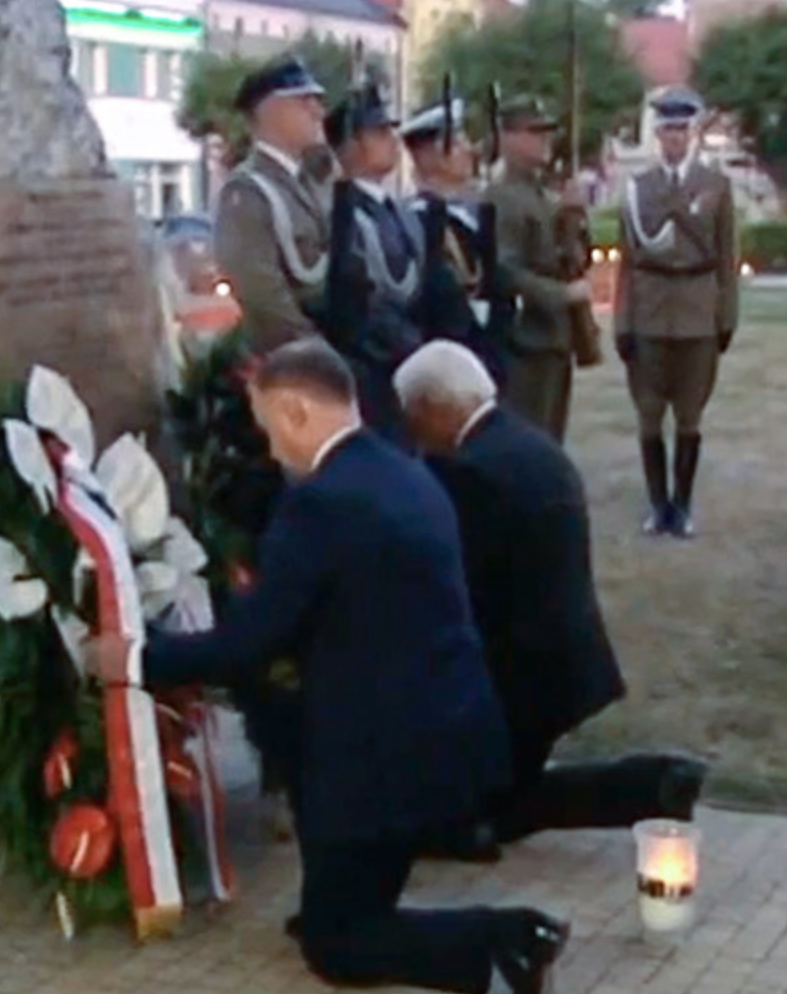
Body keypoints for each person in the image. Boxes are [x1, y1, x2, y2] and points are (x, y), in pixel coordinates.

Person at [92, 340, 568, 994]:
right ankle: (347, 911)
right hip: (445, 733)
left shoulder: (321, 503)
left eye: (266, 430)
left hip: (384, 760)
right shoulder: (405, 469)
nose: (269, 448)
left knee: (339, 949)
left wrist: (138, 656)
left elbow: (247, 646)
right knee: (336, 900)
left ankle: (506, 940)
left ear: (293, 412)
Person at [395, 341, 708, 854]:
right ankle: (658, 784)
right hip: (566, 661)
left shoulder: (472, 472)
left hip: (524, 679)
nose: (414, 436)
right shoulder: (530, 444)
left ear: (436, 407)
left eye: (413, 418)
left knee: (481, 816)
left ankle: (651, 784)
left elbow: (463, 589)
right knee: (493, 801)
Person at [614, 86, 738, 537]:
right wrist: (622, 321)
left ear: (692, 134)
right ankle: (657, 505)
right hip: (649, 310)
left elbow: (727, 256)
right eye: (667, 130)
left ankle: (682, 506)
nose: (674, 139)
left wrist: (726, 317)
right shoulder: (638, 188)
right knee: (649, 412)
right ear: (657, 135)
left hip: (697, 312)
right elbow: (627, 260)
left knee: (689, 414)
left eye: (682, 130)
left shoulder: (715, 185)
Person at [323, 83, 430, 444]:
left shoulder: (396, 210)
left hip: (408, 356)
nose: (393, 141)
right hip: (373, 369)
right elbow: (354, 302)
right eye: (380, 132)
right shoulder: (341, 213)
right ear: (351, 145)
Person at [485, 97, 591, 443]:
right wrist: (561, 295)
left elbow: (569, 257)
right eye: (535, 132)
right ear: (508, 138)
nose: (546, 140)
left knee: (551, 436)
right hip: (525, 340)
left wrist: (575, 219)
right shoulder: (502, 197)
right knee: (531, 439)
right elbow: (504, 270)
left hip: (552, 338)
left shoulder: (541, 193)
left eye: (547, 132)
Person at [213, 56, 331, 352]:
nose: (318, 111)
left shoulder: (309, 182)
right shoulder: (248, 190)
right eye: (305, 101)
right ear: (271, 109)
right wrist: (315, 348)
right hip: (292, 361)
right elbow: (260, 292)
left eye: (317, 100)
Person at [400, 96, 511, 385]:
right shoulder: (419, 220)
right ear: (427, 156)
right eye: (457, 143)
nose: (470, 151)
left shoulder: (472, 215)